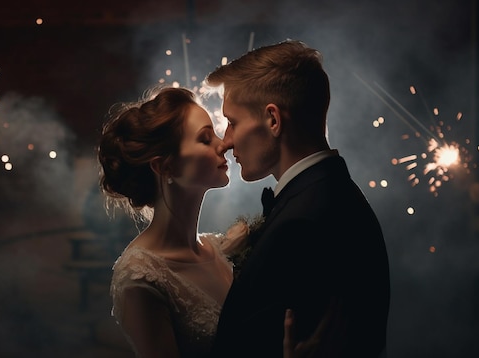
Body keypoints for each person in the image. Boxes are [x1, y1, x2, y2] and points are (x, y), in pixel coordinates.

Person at [203, 39, 391, 357]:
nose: (226, 141)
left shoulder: (304, 221)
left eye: (232, 123)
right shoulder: (330, 194)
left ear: (273, 120)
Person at [97, 86, 234, 358]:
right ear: (165, 167)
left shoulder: (219, 248)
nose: (224, 144)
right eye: (206, 139)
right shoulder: (141, 278)